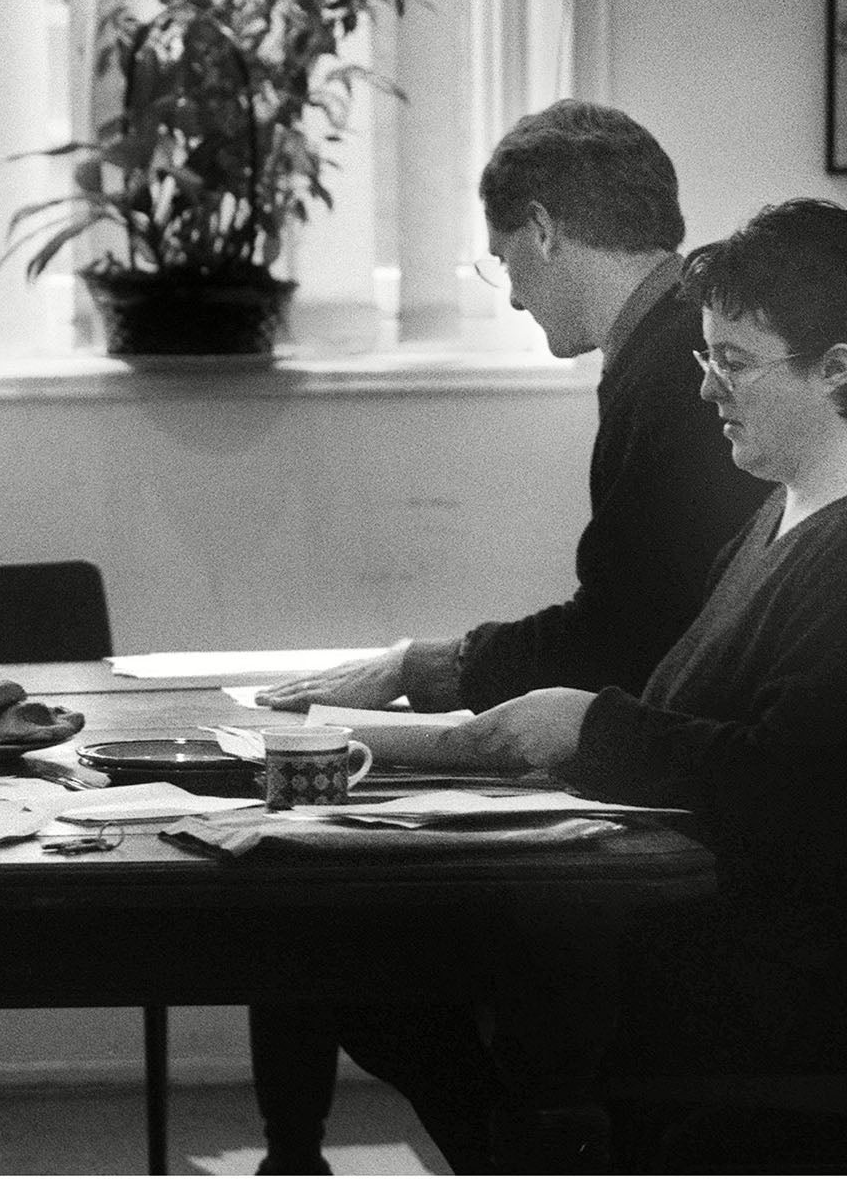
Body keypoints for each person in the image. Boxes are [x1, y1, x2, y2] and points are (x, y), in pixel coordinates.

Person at [247, 100, 768, 1175]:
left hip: (702, 817)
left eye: (502, 262)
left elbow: (618, 635)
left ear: (539, 229)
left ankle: (525, 1159)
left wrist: (420, 672)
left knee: (342, 934)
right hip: (689, 760)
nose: (515, 292)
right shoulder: (668, 338)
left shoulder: (673, 364)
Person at [330, 201, 847, 1173]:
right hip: (687, 913)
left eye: (730, 362)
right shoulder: (777, 513)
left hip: (764, 971)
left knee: (393, 967)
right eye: (701, 358)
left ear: (836, 370)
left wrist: (584, 727)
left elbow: (789, 789)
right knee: (370, 956)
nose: (703, 389)